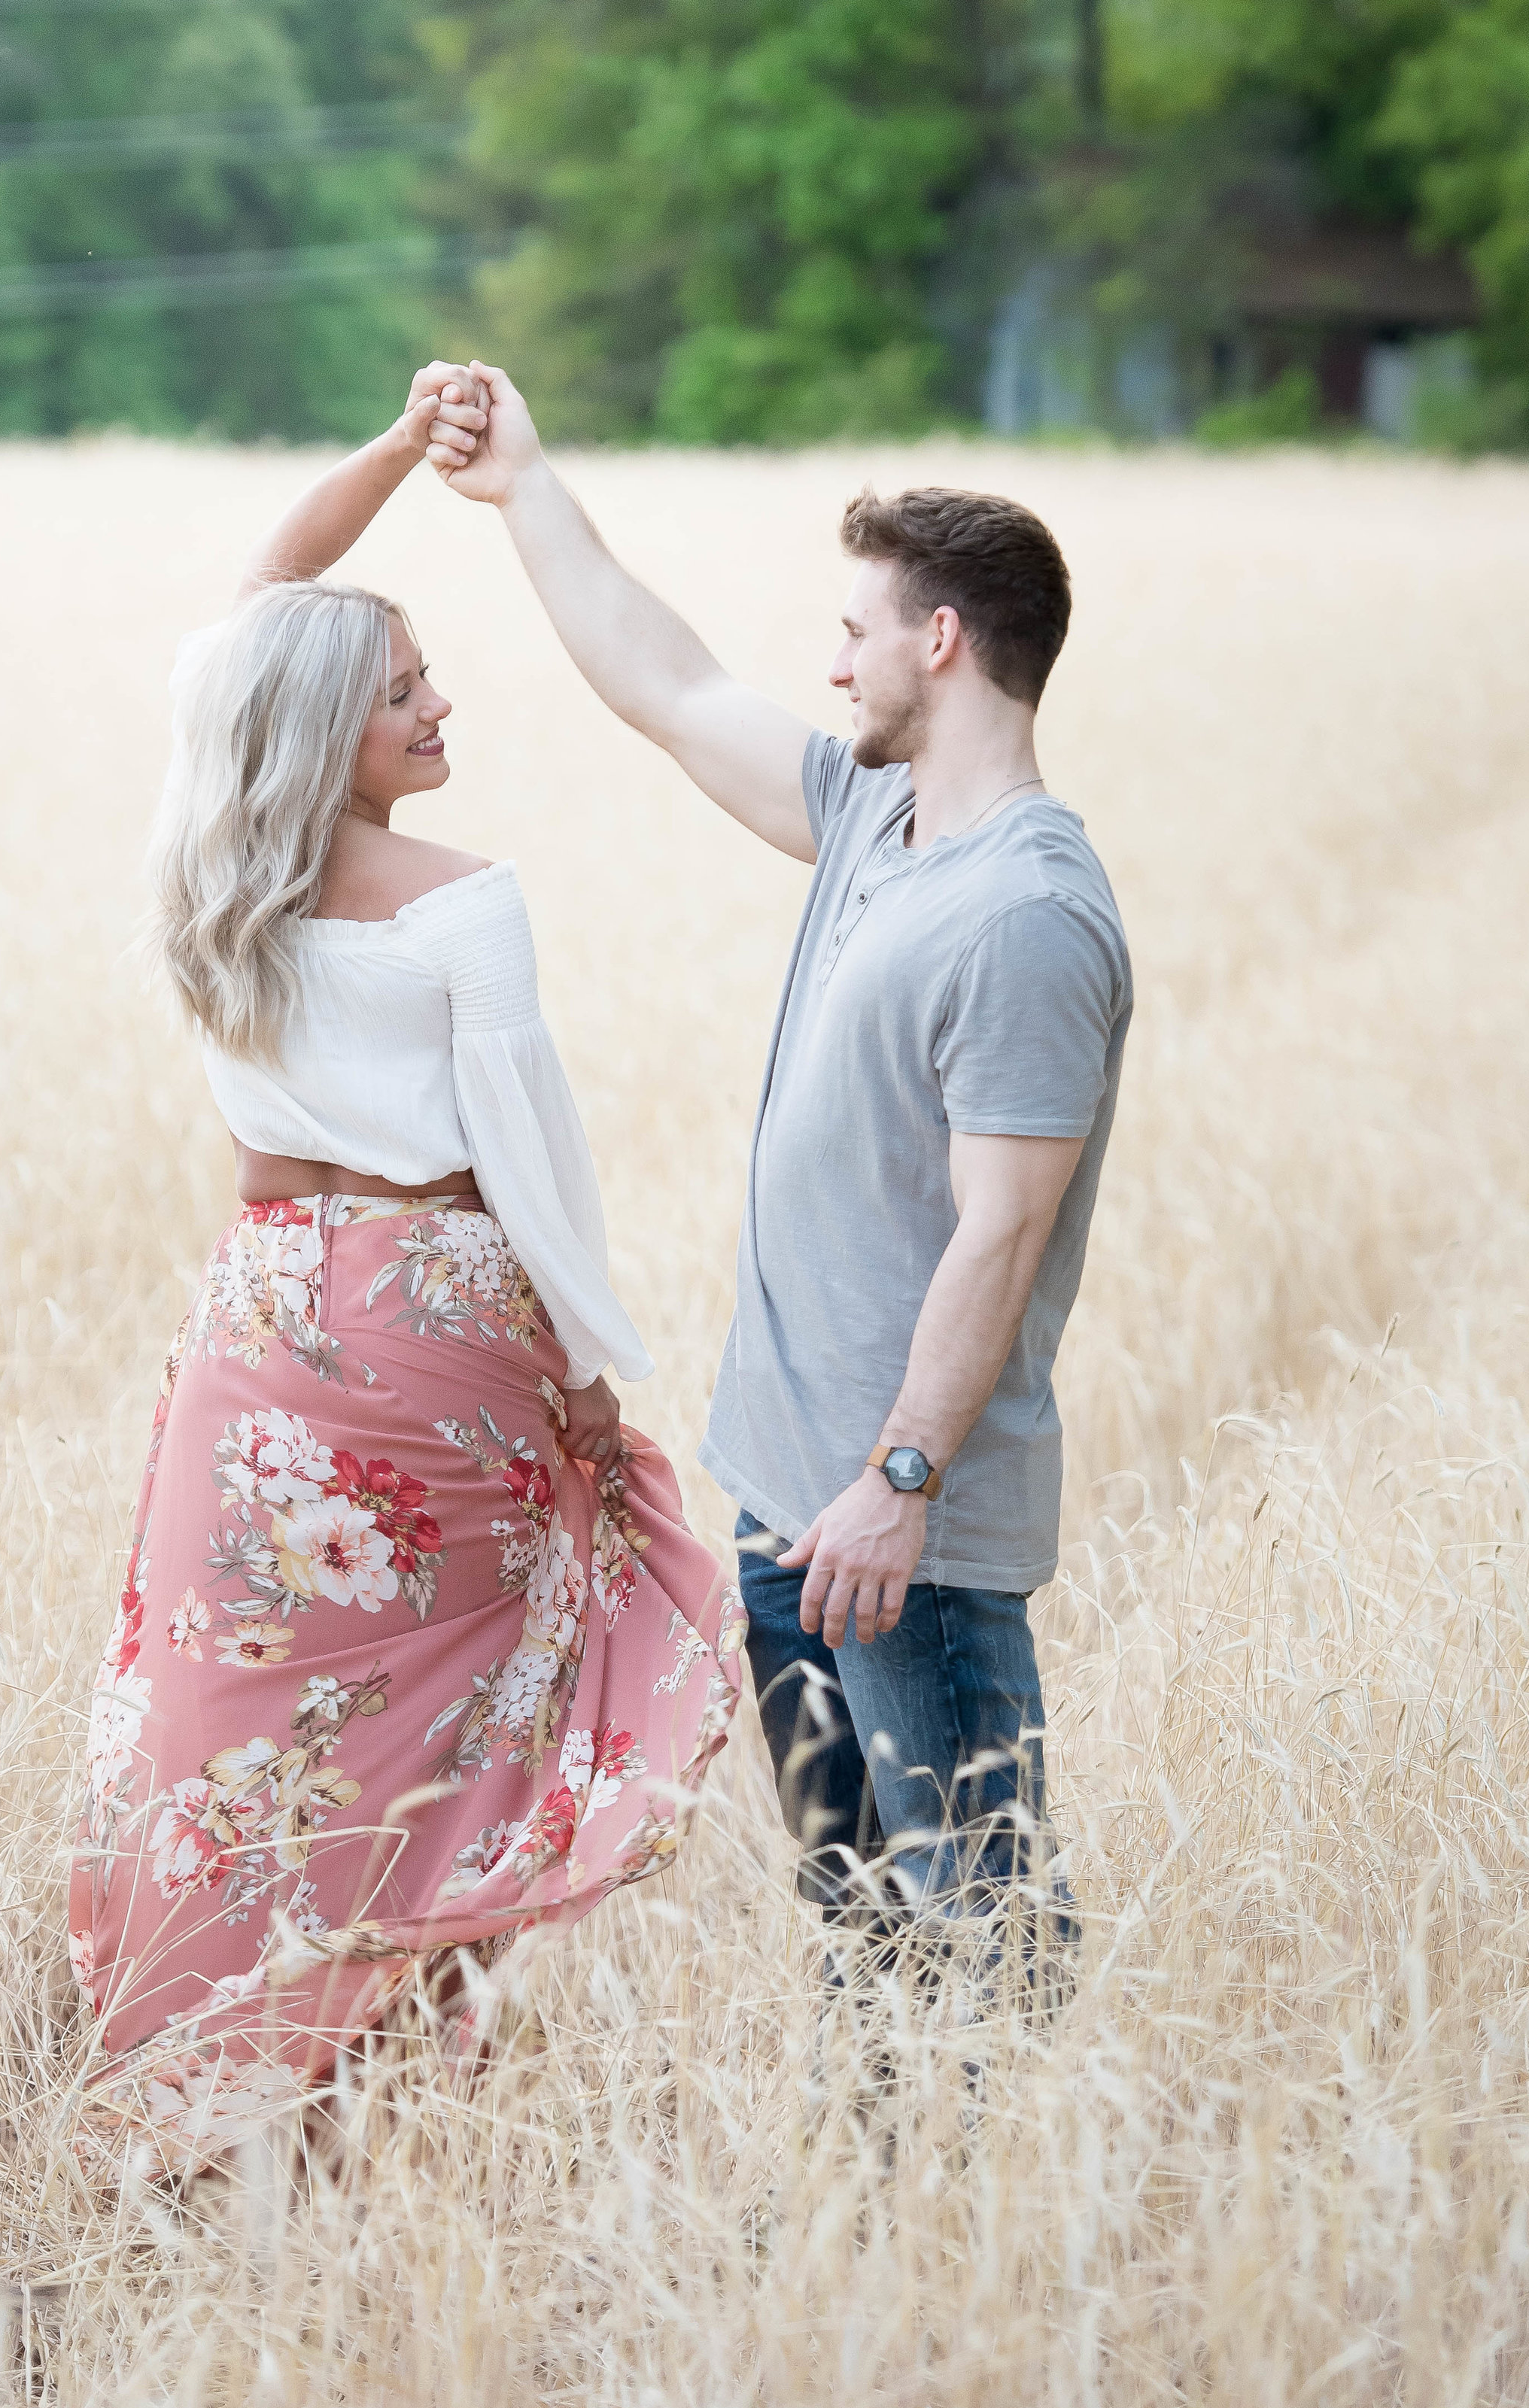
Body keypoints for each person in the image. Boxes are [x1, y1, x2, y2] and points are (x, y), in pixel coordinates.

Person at [69, 364, 743, 2176]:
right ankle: (387, 2071)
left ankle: (211, 2082)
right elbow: (528, 1155)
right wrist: (591, 1369)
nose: (442, 701)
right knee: (455, 1703)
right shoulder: (461, 897)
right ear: (331, 734)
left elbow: (265, 590)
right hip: (441, 1320)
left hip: (262, 1322)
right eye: (401, 693)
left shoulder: (206, 851)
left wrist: (386, 448)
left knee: (243, 1729)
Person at [425, 368, 1131, 1994]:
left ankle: (1031, 2216)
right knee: (861, 1921)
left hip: (904, 1535)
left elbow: (1001, 1226)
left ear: (938, 639)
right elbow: (667, 684)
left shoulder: (1026, 912)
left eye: (854, 630)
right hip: (789, 1506)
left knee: (981, 1918)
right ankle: (879, 2226)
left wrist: (897, 1478)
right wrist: (524, 481)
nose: (829, 662)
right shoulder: (873, 820)